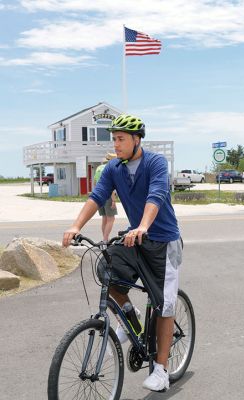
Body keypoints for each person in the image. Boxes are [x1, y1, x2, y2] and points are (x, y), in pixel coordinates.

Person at [62, 114, 182, 392]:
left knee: (165, 305)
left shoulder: (155, 163)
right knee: (106, 269)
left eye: (120, 139)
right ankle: (130, 315)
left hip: (163, 241)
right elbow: (96, 197)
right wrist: (75, 225)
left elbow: (156, 195)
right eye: (113, 139)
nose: (115, 144)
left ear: (136, 139)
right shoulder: (115, 168)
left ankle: (161, 370)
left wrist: (142, 225)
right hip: (135, 238)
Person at [94, 153, 117, 241]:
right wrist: (114, 200)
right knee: (111, 218)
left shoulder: (99, 168)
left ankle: (104, 238)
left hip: (99, 195)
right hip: (108, 196)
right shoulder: (110, 168)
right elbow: (110, 185)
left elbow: (95, 183)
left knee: (104, 218)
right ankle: (105, 240)